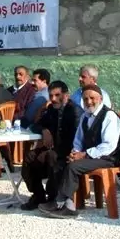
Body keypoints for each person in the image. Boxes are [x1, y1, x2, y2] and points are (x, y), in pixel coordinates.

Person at [40, 86, 120, 219]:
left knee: (73, 167)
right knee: (63, 161)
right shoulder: (85, 116)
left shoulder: (109, 116)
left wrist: (84, 155)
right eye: (85, 99)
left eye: (92, 98)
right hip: (90, 157)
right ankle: (66, 202)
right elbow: (78, 141)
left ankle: (61, 203)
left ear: (100, 99)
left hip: (107, 158)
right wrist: (75, 153)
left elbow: (109, 145)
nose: (89, 102)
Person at [20, 81, 81, 210]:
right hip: (54, 150)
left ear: (66, 95)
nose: (53, 99)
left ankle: (54, 199)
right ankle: (38, 195)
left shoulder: (74, 111)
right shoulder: (52, 110)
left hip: (69, 152)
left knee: (51, 156)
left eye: (57, 95)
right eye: (51, 95)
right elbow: (35, 125)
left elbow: (78, 138)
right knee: (30, 157)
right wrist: (44, 130)